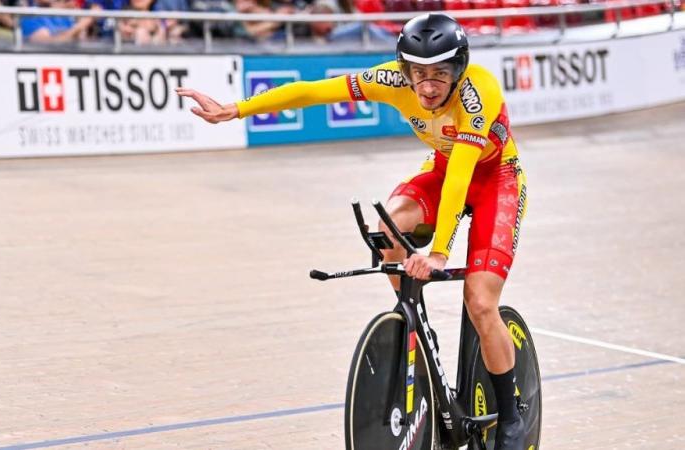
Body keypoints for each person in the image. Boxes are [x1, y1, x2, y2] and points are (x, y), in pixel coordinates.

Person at [176, 13, 527, 450]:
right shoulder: (393, 81)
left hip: (495, 179)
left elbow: (460, 175)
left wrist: (438, 253)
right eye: (419, 74)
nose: (429, 85)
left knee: (479, 301)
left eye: (440, 74)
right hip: (441, 170)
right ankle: (412, 322)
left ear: (458, 70)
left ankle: (511, 415)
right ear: (405, 71)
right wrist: (238, 109)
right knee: (387, 226)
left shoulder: (479, 91)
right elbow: (313, 92)